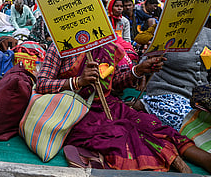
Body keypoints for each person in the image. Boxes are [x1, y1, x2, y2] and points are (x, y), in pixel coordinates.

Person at [37, 40, 211, 173]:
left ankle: (205, 161)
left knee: (153, 125)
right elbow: (42, 85)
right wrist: (77, 81)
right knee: (121, 135)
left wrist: (139, 70)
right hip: (79, 110)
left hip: (110, 105)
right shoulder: (59, 46)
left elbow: (116, 83)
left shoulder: (107, 45)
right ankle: (175, 162)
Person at [141, 21, 211, 145]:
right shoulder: (167, 33)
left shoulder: (208, 34)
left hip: (201, 99)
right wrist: (151, 58)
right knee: (196, 127)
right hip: (168, 96)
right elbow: (143, 65)